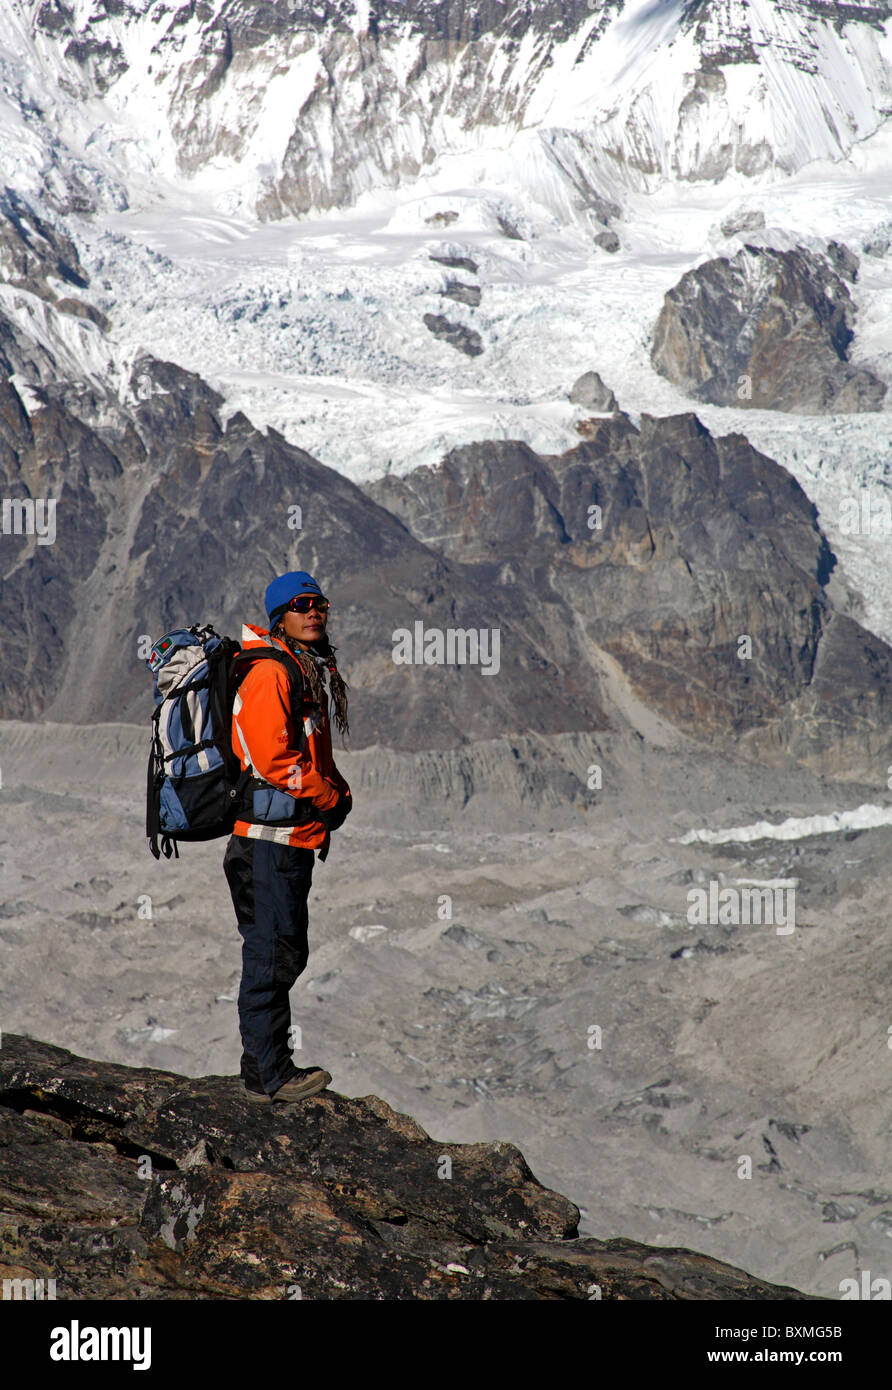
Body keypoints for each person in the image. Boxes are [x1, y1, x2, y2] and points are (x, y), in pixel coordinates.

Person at [222, 570, 352, 1104]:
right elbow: (275, 760)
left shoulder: (302, 669)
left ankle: (271, 1066)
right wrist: (326, 796)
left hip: (287, 839)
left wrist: (334, 790)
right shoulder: (271, 674)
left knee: (280, 951)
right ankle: (268, 1078)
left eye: (319, 603)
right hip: (266, 843)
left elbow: (310, 753)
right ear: (281, 616)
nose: (314, 611)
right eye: (302, 604)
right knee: (270, 955)